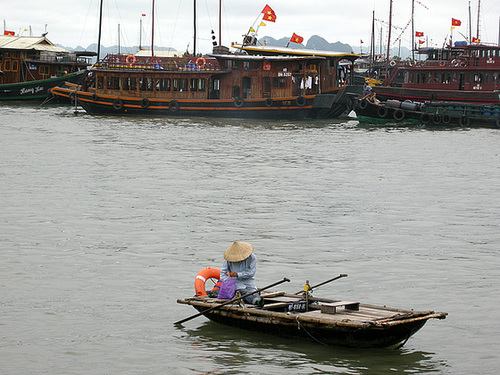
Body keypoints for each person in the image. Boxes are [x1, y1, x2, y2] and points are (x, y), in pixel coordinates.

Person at [220, 241, 264, 307]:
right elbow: (223, 273)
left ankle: (258, 301)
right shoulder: (228, 259)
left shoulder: (252, 257)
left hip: (249, 281)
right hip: (236, 283)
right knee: (243, 292)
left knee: (254, 292)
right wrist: (228, 281)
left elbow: (251, 273)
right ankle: (256, 301)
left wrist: (238, 274)